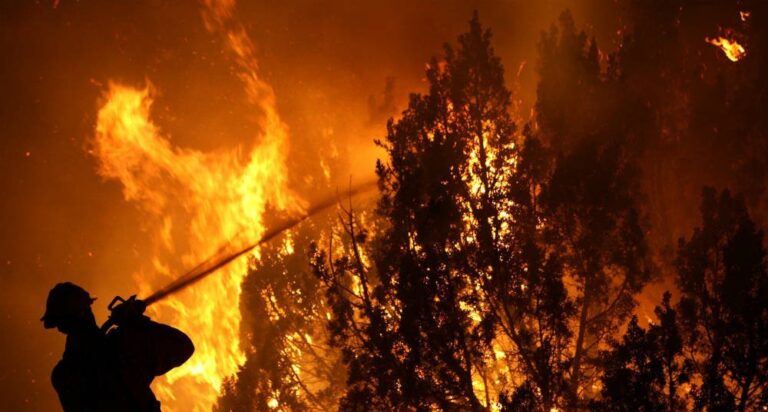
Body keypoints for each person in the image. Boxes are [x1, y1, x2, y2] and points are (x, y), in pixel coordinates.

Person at [42, 282, 195, 411]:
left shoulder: (62, 375)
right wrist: (135, 321)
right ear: (85, 312)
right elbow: (183, 346)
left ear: (61, 327)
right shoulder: (123, 345)